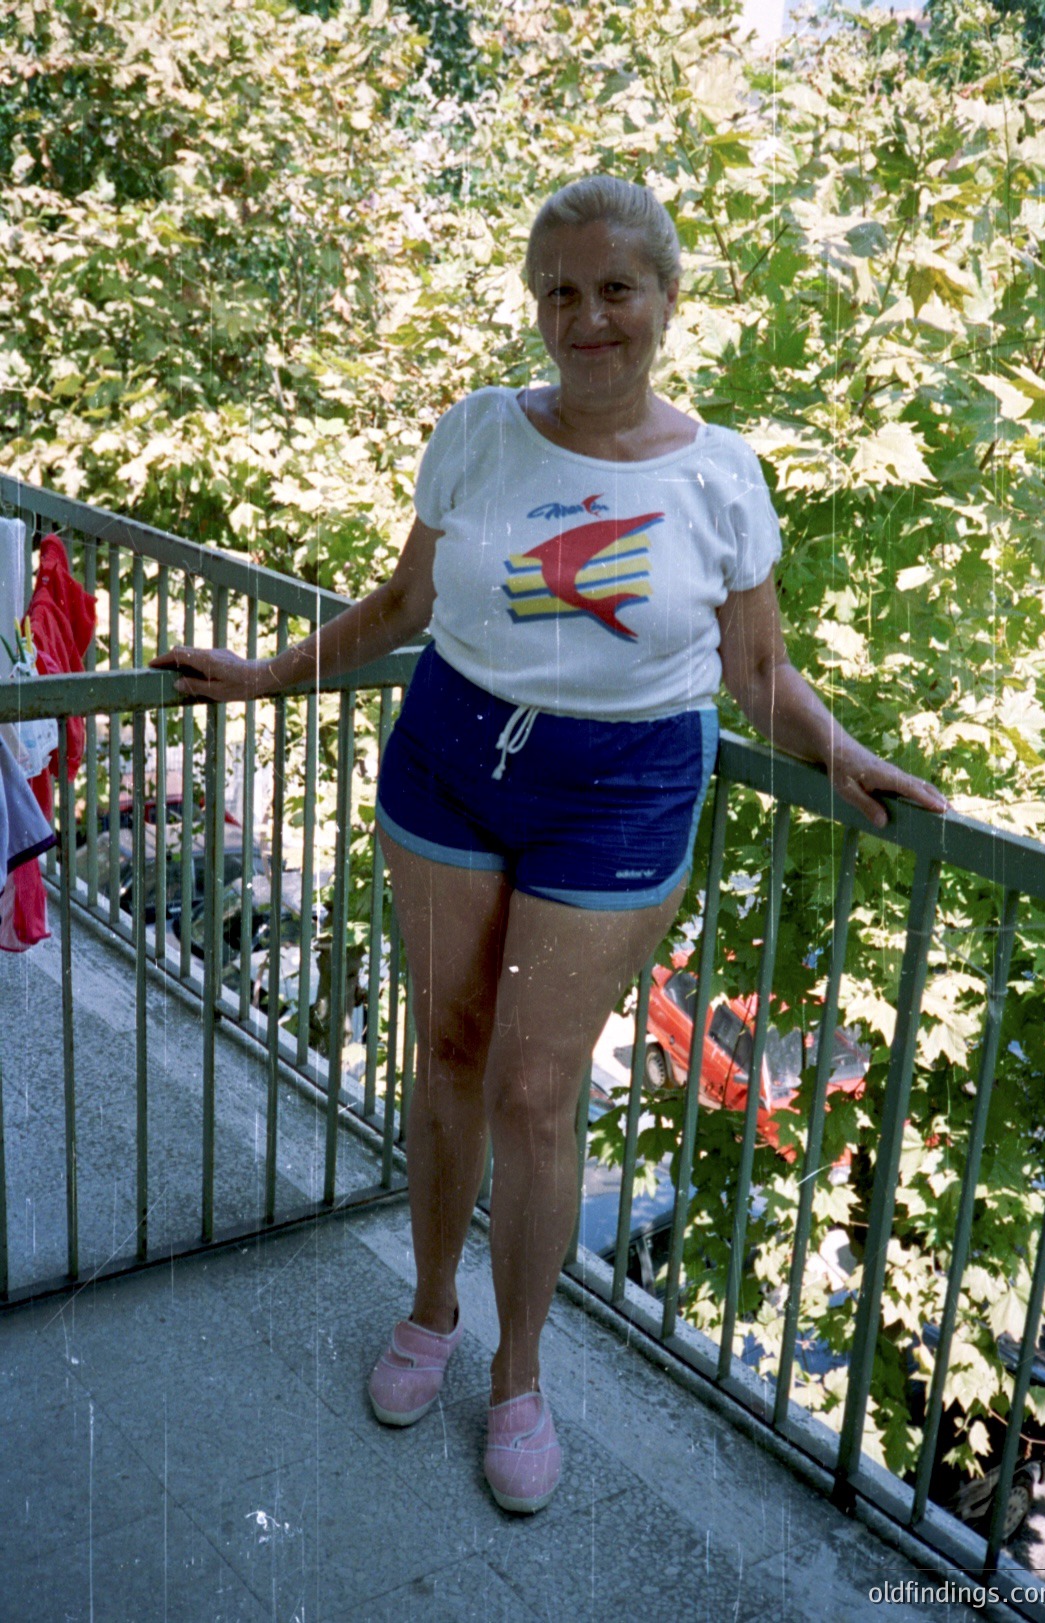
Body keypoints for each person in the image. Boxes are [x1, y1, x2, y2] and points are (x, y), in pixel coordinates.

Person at [153, 174, 949, 1515]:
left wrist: (835, 747)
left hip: (624, 790)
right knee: (451, 1053)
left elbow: (755, 670)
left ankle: (517, 1375)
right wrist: (270, 676)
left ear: (665, 303)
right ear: (538, 305)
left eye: (614, 290)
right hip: (452, 765)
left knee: (536, 1089)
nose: (587, 319)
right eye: (560, 293)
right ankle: (430, 1310)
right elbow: (405, 600)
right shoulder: (474, 432)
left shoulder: (724, 473)